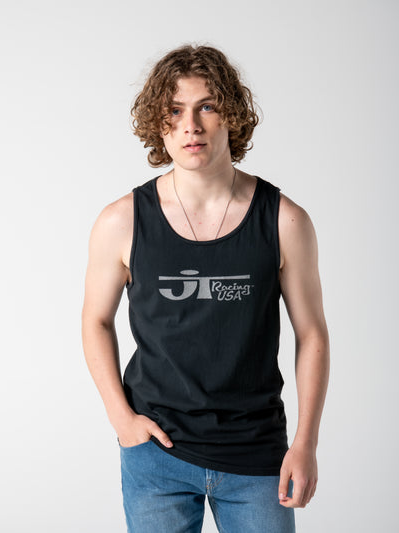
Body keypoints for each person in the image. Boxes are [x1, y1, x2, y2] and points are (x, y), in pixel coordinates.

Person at [81, 43, 330, 533]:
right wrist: (120, 417)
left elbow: (312, 335)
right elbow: (95, 320)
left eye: (207, 106)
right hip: (156, 453)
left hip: (257, 453)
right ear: (159, 123)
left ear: (231, 116)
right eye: (175, 111)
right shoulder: (122, 221)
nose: (190, 126)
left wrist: (306, 443)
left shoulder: (284, 220)